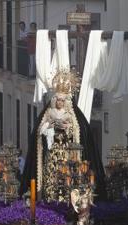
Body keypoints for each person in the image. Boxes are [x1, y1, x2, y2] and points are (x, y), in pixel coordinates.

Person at [20, 68, 107, 201]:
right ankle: (50, 198)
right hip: (53, 153)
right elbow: (40, 131)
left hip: (67, 154)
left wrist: (67, 128)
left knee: (67, 177)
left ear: (66, 101)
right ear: (55, 100)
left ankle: (68, 198)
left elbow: (79, 133)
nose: (60, 102)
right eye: (58, 100)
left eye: (62, 100)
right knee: (51, 175)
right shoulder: (48, 113)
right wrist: (50, 126)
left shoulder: (73, 116)